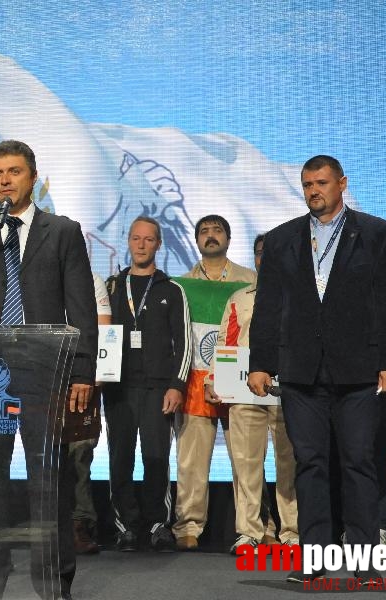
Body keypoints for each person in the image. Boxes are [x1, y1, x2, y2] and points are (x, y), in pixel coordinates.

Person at [0, 140, 97, 600]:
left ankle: (53, 584)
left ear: (33, 177)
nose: (4, 180)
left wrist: (84, 373)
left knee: (49, 483)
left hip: (45, 375)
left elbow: (81, 309)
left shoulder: (63, 231)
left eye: (13, 171)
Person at [248, 155, 386, 583]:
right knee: (310, 464)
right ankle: (314, 562)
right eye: (307, 184)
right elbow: (267, 307)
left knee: (359, 463)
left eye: (321, 182)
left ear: (342, 183)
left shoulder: (378, 234)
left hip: (358, 371)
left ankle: (364, 561)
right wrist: (260, 363)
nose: (314, 190)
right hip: (300, 372)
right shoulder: (283, 239)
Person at [204, 234, 298, 553]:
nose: (265, 258)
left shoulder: (301, 298)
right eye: (260, 253)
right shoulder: (240, 297)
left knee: (290, 462)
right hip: (244, 388)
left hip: (289, 391)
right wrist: (215, 378)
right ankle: (249, 532)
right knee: (246, 462)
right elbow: (225, 342)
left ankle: (291, 532)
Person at [105, 216, 191, 553]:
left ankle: (158, 524)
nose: (141, 245)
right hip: (118, 387)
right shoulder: (112, 287)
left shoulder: (172, 289)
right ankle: (126, 526)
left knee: (156, 457)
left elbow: (184, 342)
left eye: (149, 239)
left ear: (158, 244)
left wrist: (177, 385)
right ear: (128, 241)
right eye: (136, 238)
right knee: (119, 458)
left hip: (158, 389)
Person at [172, 214, 256, 550]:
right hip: (195, 381)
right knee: (191, 460)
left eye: (217, 230)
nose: (210, 236)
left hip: (240, 380)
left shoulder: (250, 281)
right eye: (204, 231)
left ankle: (253, 527)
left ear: (228, 238)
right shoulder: (180, 285)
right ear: (196, 240)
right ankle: (188, 526)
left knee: (246, 459)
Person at [69, 271, 111, 555]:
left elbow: (104, 329)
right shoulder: (25, 274)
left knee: (80, 452)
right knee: (44, 457)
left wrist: (90, 376)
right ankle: (50, 525)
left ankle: (79, 523)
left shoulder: (91, 280)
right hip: (42, 375)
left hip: (80, 377)